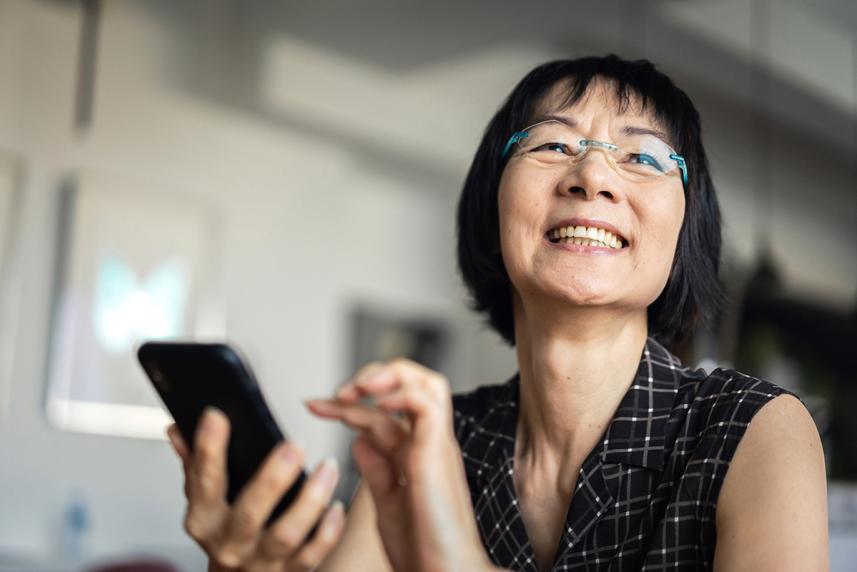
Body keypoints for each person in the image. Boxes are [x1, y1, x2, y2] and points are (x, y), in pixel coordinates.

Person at [165, 55, 829, 571]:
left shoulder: (754, 431)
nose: (592, 177)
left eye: (642, 157)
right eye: (551, 146)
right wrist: (241, 564)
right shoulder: (426, 440)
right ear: (493, 203)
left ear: (685, 230)